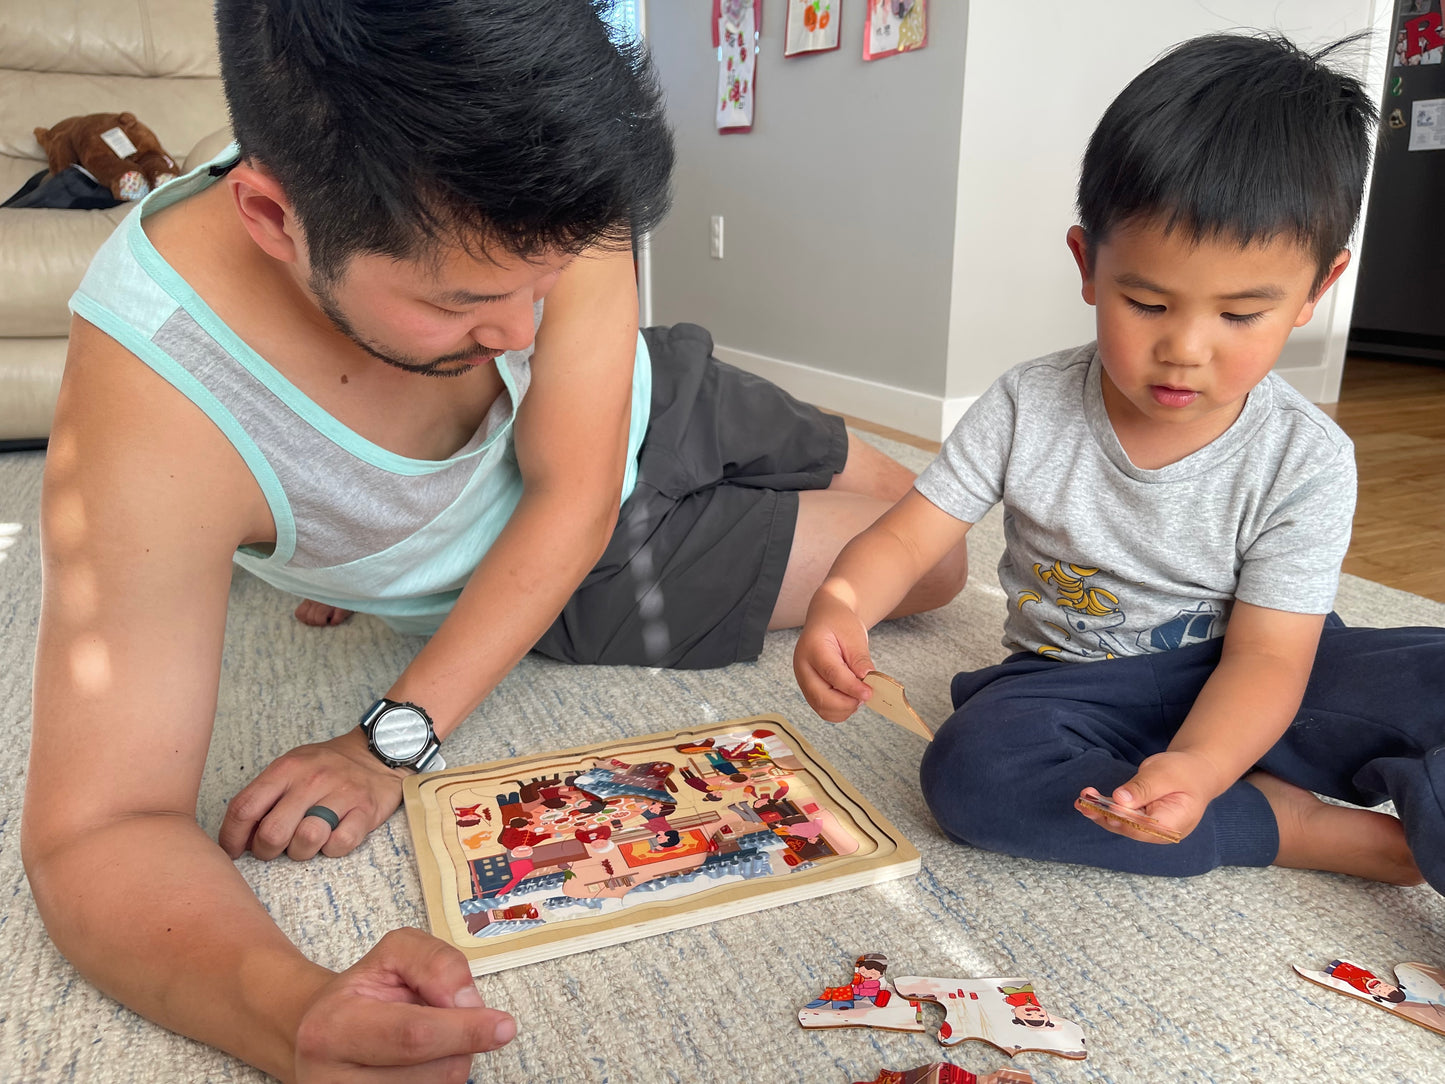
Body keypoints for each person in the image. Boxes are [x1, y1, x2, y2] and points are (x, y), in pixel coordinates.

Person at [21, 1, 966, 1080]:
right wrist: (291, 1007)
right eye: (460, 301)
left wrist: (528, 294)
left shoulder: (547, 172)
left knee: (926, 518)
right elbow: (94, 830)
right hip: (583, 569)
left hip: (652, 387)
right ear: (272, 216)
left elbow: (573, 451)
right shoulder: (155, 393)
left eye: (551, 276)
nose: (523, 337)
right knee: (928, 572)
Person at [794, 33, 1445, 897]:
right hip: (1072, 683)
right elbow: (908, 538)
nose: (1183, 350)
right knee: (973, 773)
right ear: (1087, 266)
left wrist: (1205, 761)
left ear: (1314, 294)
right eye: (1146, 302)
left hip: (1253, 670)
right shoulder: (1028, 404)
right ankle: (1289, 824)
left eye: (1242, 314)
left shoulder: (1306, 456)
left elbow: (1269, 660)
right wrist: (841, 606)